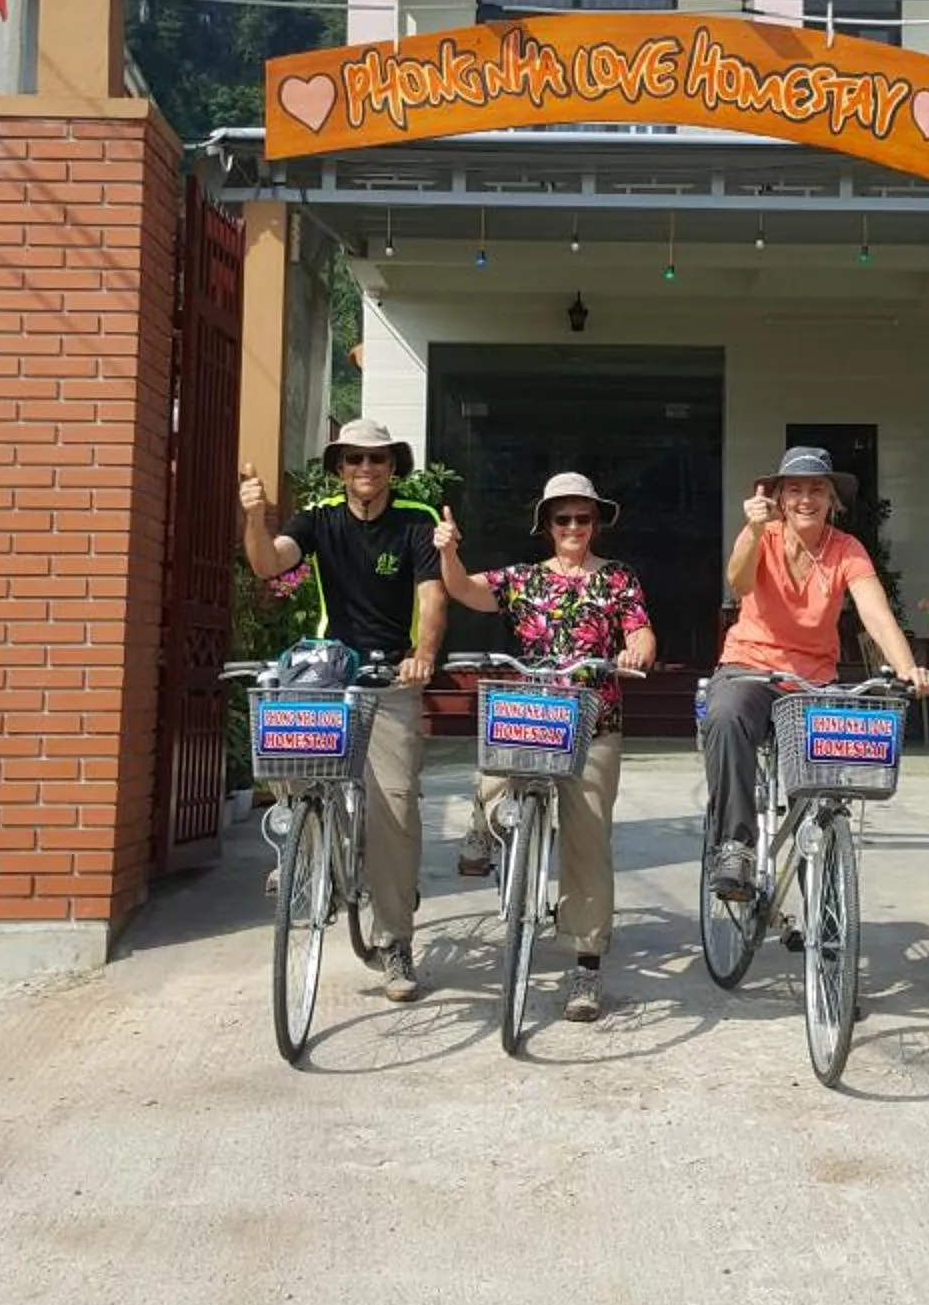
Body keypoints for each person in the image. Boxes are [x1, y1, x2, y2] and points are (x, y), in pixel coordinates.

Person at [432, 472, 656, 1023]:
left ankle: (586, 962)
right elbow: (463, 590)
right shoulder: (523, 579)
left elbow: (642, 632)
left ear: (596, 522)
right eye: (563, 519)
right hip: (532, 713)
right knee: (493, 772)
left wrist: (636, 653)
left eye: (583, 518)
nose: (574, 528)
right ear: (547, 527)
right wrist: (449, 553)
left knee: (587, 842)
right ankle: (484, 825)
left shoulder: (619, 579)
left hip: (593, 719)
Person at [239, 418, 446, 1001]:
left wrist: (422, 656)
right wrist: (254, 518)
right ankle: (306, 847)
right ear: (339, 468)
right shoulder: (319, 516)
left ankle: (396, 942)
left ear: (391, 468)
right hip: (334, 669)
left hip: (392, 678)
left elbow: (432, 600)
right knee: (282, 728)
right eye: (354, 460)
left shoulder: (416, 522)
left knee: (395, 809)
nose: (365, 470)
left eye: (376, 460)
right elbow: (267, 563)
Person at [704, 446, 929, 901]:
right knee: (726, 716)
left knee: (821, 786)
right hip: (749, 666)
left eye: (816, 489)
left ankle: (822, 900)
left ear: (833, 500)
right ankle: (735, 845)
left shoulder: (846, 549)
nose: (805, 499)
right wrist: (753, 529)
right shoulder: (762, 535)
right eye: (794, 489)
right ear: (778, 497)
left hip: (811, 680)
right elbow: (740, 583)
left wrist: (909, 669)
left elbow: (876, 614)